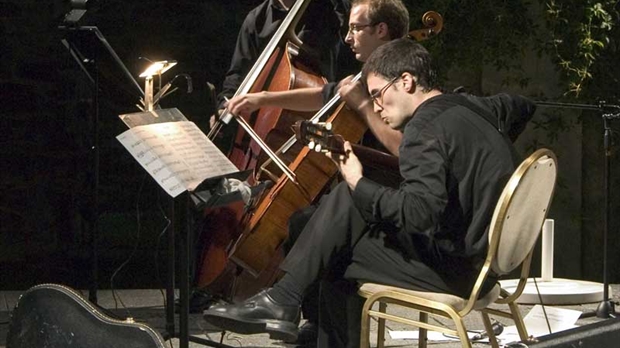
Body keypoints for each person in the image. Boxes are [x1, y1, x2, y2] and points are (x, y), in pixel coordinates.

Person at [203, 38, 537, 347]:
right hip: (486, 261)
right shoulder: (474, 107)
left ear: (406, 81)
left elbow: (419, 214)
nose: (375, 106)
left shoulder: (423, 128)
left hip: (458, 272)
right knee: (314, 222)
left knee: (339, 234)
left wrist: (358, 182)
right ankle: (290, 306)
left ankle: (287, 303)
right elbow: (521, 105)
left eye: (378, 94)